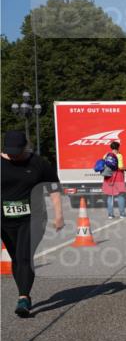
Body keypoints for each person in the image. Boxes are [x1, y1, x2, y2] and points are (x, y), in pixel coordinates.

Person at [1, 130, 64, 317]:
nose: (13, 155)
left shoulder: (38, 163)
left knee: (24, 255)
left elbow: (53, 188)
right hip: (4, 219)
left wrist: (59, 214)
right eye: (10, 151)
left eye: (17, 151)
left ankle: (23, 297)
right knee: (16, 258)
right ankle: (23, 291)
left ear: (25, 147)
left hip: (33, 217)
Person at [101, 141, 126, 218]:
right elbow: (120, 167)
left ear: (111, 147)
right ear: (118, 147)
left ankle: (110, 215)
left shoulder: (106, 155)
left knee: (109, 196)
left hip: (108, 177)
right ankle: (122, 214)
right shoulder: (119, 155)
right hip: (118, 176)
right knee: (120, 196)